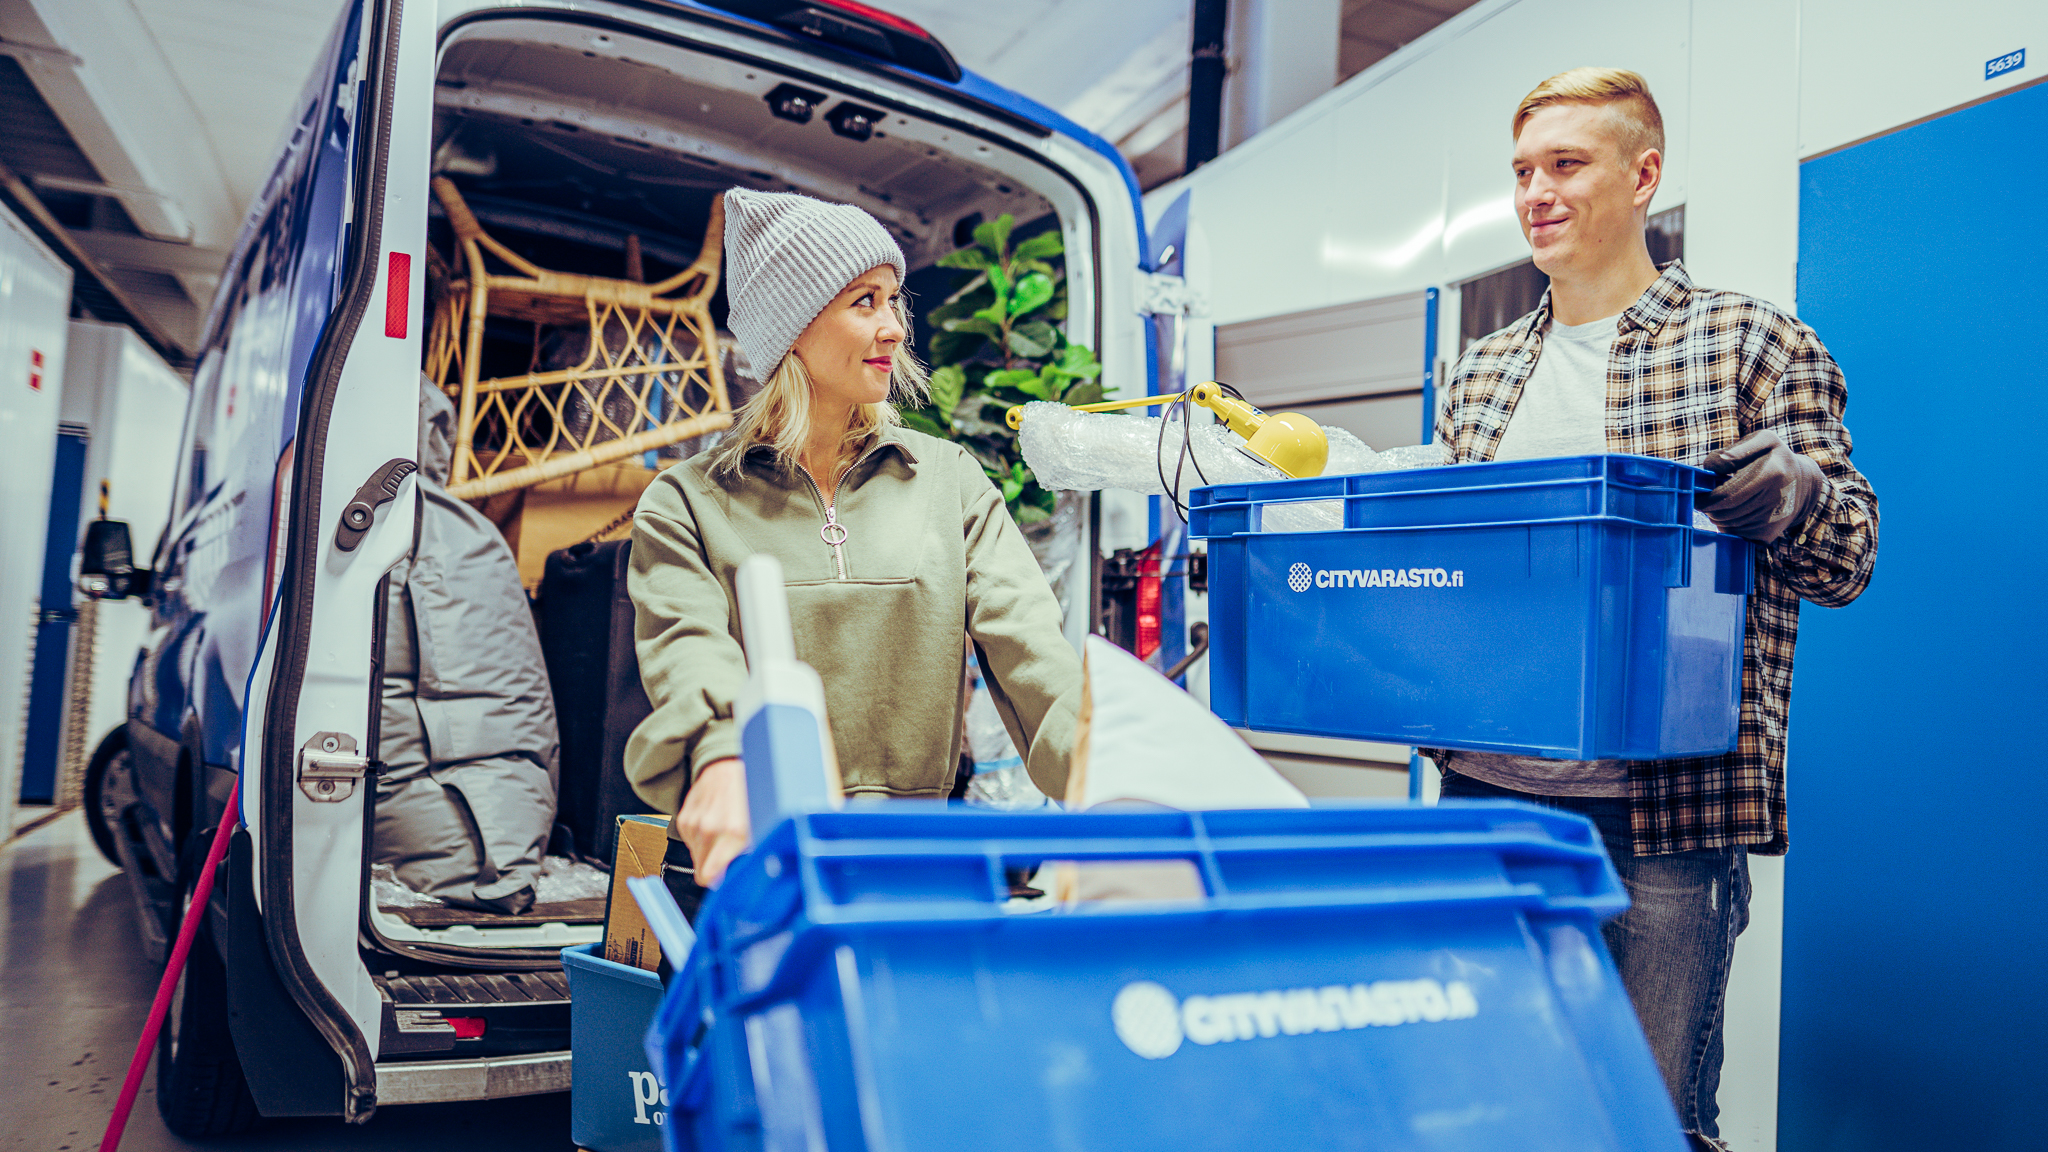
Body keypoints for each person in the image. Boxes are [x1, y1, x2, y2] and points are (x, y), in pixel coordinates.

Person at [1426, 68, 1879, 1151]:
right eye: (1523, 171)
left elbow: (1850, 557)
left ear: (1644, 177)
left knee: (1644, 1116)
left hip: (1663, 811)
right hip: (1486, 790)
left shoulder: (1750, 344)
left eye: (1565, 165)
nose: (1535, 191)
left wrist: (1800, 499)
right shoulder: (1478, 375)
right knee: (1491, 1099)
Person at [624, 188, 1083, 887]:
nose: (896, 327)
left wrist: (1111, 764)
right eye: (864, 301)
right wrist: (723, 758)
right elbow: (689, 655)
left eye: (893, 301)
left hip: (914, 866)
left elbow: (1034, 653)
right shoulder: (687, 502)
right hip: (761, 867)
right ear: (793, 327)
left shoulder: (947, 480)